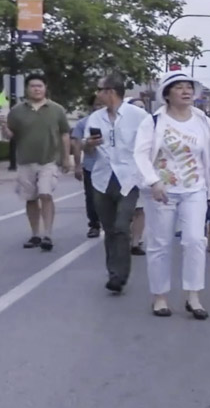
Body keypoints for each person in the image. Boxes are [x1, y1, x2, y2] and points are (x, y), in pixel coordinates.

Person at [134, 71, 210, 319]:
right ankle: (160, 297)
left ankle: (193, 295)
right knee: (160, 243)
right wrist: (153, 181)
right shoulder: (154, 122)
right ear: (167, 94)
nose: (185, 91)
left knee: (193, 241)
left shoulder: (202, 121)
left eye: (188, 87)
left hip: (195, 189)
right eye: (178, 87)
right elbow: (140, 155)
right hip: (162, 192)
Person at [81, 74, 149, 293]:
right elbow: (86, 147)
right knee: (110, 229)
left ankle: (120, 275)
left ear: (110, 91)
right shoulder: (95, 118)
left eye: (100, 89)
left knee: (121, 227)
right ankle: (113, 273)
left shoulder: (138, 116)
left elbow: (151, 144)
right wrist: (89, 144)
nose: (97, 94)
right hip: (101, 178)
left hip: (128, 178)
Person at [0, 73, 73, 251]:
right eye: (33, 86)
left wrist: (66, 158)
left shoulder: (57, 109)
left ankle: (47, 234)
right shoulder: (17, 111)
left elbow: (64, 133)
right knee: (31, 199)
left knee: (45, 194)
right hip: (25, 161)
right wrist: (3, 126)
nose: (36, 89)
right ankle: (35, 235)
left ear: (45, 88)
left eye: (40, 86)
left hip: (48, 160)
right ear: (27, 89)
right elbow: (10, 136)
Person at [71, 96, 104, 239]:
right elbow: (77, 145)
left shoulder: (115, 121)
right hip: (91, 166)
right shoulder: (83, 123)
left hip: (112, 166)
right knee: (91, 197)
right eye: (97, 104)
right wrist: (77, 166)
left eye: (102, 104)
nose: (100, 107)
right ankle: (94, 225)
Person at [127, 98, 148, 256]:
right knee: (125, 209)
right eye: (136, 108)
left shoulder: (150, 126)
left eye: (142, 107)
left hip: (142, 173)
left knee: (140, 209)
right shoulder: (121, 126)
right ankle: (124, 237)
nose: (140, 111)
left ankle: (135, 242)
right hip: (123, 174)